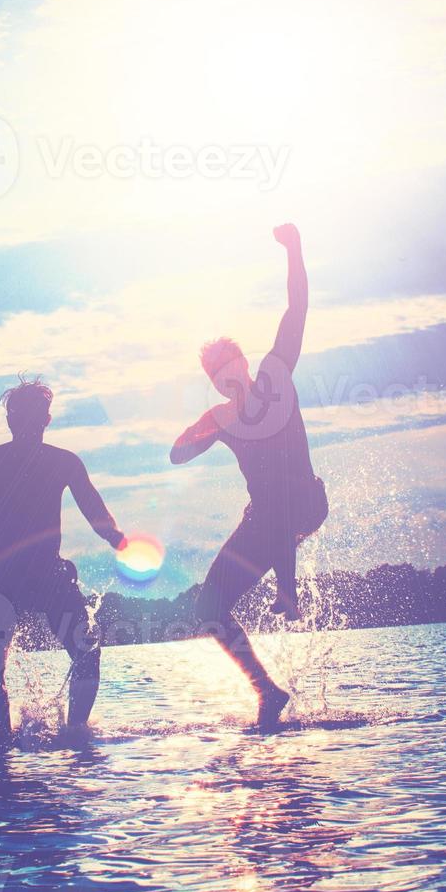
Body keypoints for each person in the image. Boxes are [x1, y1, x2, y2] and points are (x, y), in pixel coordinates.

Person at [170, 223, 328, 730]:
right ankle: (268, 692)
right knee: (208, 606)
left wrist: (295, 248)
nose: (224, 374)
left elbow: (297, 308)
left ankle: (288, 588)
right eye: (215, 374)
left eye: (227, 363)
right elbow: (176, 456)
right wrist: (206, 427)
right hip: (265, 521)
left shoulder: (276, 374)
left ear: (242, 359)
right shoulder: (222, 420)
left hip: (303, 503)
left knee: (278, 496)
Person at [0, 376, 126, 748]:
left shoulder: (63, 462)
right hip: (0, 582)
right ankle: (4, 739)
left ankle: (73, 733)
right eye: (21, 416)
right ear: (11, 420)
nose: (28, 423)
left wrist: (116, 536)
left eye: (34, 416)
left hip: (47, 577)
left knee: (87, 652)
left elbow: (94, 509)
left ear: (46, 420)